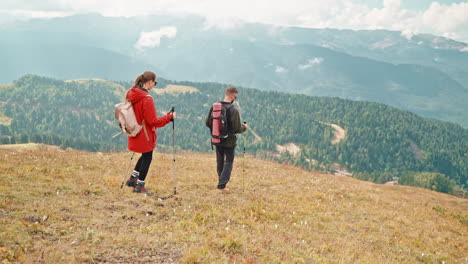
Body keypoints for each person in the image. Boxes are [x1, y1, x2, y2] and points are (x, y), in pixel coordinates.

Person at [125, 71, 175, 194]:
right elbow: (153, 122)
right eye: (155, 83)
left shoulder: (132, 93)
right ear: (149, 82)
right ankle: (140, 186)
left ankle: (132, 179)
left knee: (144, 155)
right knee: (147, 157)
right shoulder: (147, 99)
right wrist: (169, 117)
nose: (154, 85)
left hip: (134, 131)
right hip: (145, 134)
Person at [206, 86, 249, 192]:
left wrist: (217, 131)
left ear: (226, 94)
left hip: (217, 139)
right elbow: (236, 128)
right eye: (235, 96)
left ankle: (220, 181)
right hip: (229, 141)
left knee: (220, 161)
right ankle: (221, 185)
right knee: (228, 161)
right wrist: (244, 128)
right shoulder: (233, 110)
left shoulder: (215, 107)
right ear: (233, 95)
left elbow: (207, 122)